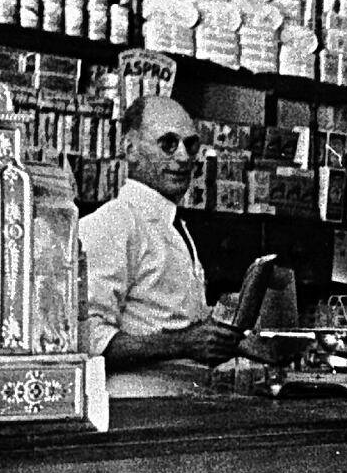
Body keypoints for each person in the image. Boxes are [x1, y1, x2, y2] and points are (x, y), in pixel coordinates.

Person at [79, 95, 244, 396]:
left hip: (180, 403)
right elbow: (87, 338)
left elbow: (176, 319)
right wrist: (183, 343)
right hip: (134, 409)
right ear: (131, 149)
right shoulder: (113, 222)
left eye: (190, 145)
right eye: (167, 143)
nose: (183, 157)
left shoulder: (174, 226)